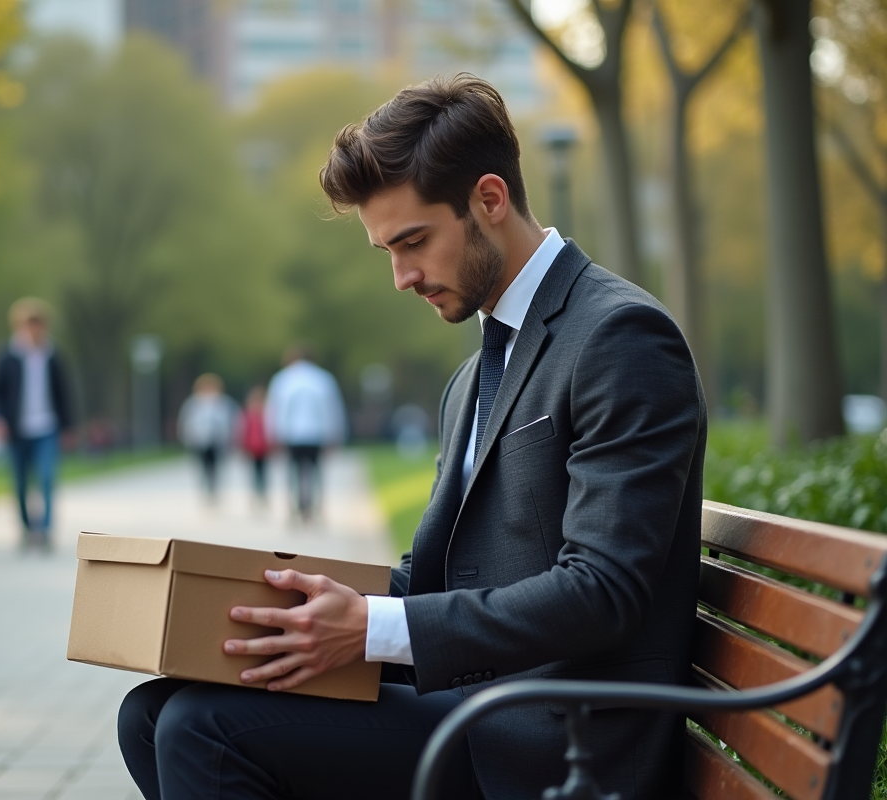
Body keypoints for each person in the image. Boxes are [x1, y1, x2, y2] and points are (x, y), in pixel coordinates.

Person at [117, 74, 706, 800]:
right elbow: (438, 577)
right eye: (386, 251)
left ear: (489, 200)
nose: (400, 277)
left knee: (202, 728)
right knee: (151, 712)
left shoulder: (618, 336)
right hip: (478, 707)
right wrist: (302, 609)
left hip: (558, 742)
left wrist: (369, 628)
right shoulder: (476, 376)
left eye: (414, 241)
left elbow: (603, 590)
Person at [0, 298, 75, 551]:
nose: (32, 330)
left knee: (47, 478)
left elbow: (64, 393)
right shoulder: (6, 355)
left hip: (47, 427)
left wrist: (68, 427)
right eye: (27, 325)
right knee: (20, 482)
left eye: (37, 324)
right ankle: (27, 529)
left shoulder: (54, 355)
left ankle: (45, 530)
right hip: (17, 429)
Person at [264, 346, 347, 523]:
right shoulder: (324, 379)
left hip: (291, 433)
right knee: (316, 471)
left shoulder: (282, 379)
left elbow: (275, 409)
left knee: (293, 471)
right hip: (317, 432)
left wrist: (273, 433)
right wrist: (335, 433)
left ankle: (295, 506)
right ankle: (315, 507)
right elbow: (332, 409)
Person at [177, 373, 240, 504]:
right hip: (199, 440)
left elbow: (233, 421)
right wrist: (187, 437)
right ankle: (205, 489)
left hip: (218, 440)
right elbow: (186, 422)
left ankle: (213, 489)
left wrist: (232, 438)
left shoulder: (224, 402)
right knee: (202, 466)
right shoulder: (193, 403)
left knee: (216, 466)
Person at [238, 385, 271, 506]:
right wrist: (243, 446)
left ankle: (263, 494)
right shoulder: (248, 415)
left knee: (263, 473)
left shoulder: (268, 415)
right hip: (252, 448)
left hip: (264, 449)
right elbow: (243, 432)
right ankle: (254, 495)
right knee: (253, 473)